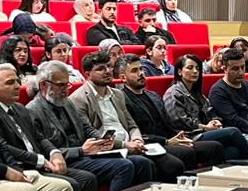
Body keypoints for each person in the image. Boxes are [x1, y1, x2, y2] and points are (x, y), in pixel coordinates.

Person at [26, 61, 147, 191]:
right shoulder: (32, 111)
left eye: (68, 84)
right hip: (68, 159)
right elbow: (44, 150)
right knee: (123, 166)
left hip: (85, 154)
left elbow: (86, 128)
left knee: (141, 162)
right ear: (44, 85)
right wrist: (81, 151)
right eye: (61, 85)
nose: (66, 90)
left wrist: (102, 141)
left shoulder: (67, 102)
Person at [70, 52, 179, 183]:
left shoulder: (117, 94)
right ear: (88, 75)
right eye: (101, 69)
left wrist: (137, 140)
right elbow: (93, 134)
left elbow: (131, 124)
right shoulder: (78, 99)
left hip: (130, 145)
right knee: (144, 163)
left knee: (171, 163)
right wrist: (125, 145)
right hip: (107, 149)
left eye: (109, 67)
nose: (107, 71)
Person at [160, 55, 248, 163]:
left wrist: (215, 121)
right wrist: (205, 127)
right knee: (233, 132)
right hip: (189, 136)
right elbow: (178, 121)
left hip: (203, 132)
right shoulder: (173, 93)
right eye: (190, 68)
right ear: (180, 72)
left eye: (197, 69)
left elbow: (210, 111)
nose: (195, 71)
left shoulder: (197, 94)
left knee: (233, 151)